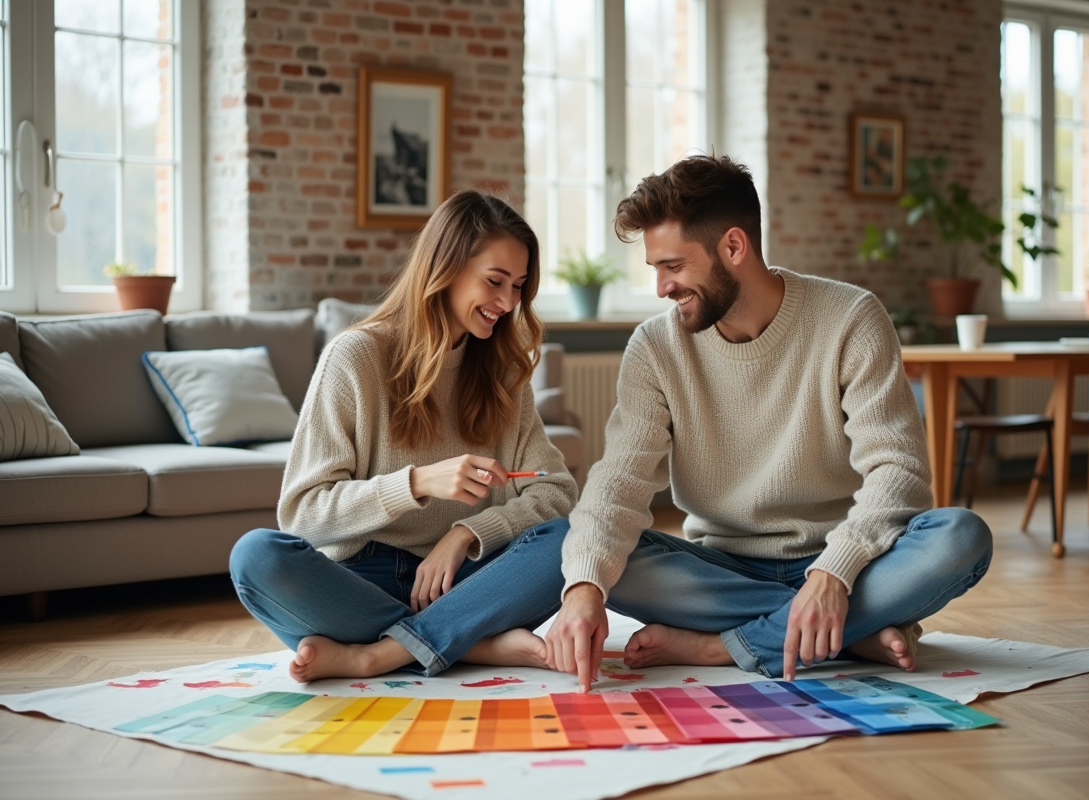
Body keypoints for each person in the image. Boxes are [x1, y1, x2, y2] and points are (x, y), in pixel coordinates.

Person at [545, 154, 992, 692]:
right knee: (589, 553)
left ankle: (727, 645)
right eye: (655, 270)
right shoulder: (655, 347)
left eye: (674, 267)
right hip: (720, 569)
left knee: (960, 537)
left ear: (734, 247)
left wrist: (832, 574)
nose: (661, 288)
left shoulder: (851, 318)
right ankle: (844, 632)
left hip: (842, 560)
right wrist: (583, 593)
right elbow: (618, 481)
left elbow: (899, 472)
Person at [230, 190, 578, 683]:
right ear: (445, 269)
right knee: (255, 556)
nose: (508, 303)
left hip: (460, 583)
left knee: (569, 538)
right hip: (358, 578)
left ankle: (377, 653)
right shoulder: (354, 357)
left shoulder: (503, 374)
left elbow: (557, 491)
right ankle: (470, 643)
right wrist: (413, 484)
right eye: (495, 281)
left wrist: (467, 533)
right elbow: (302, 515)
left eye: (519, 286)